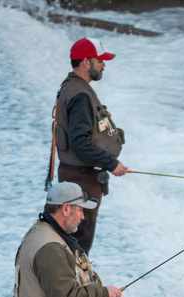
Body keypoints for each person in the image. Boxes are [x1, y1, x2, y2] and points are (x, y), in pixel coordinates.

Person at [51, 37, 130, 254]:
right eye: (100, 60)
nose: (103, 65)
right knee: (78, 247)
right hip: (82, 181)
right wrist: (112, 164)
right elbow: (80, 143)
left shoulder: (70, 87)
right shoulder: (80, 96)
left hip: (76, 178)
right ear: (86, 62)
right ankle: (76, 287)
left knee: (72, 244)